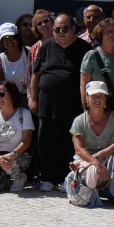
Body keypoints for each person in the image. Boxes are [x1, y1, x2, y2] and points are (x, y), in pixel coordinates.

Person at [30, 13, 89, 190]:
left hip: (73, 106)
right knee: (46, 141)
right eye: (57, 30)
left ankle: (66, 178)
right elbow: (36, 75)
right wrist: (33, 99)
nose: (61, 33)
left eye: (65, 29)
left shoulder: (84, 49)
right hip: (47, 105)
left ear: (73, 30)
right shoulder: (46, 46)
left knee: (68, 143)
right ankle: (48, 178)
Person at [69, 81, 114, 206]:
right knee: (90, 169)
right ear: (87, 99)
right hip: (87, 160)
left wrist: (100, 156)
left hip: (108, 159)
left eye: (101, 96)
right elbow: (78, 149)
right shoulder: (79, 120)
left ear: (106, 100)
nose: (97, 99)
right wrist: (96, 163)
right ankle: (89, 193)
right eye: (93, 96)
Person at [0, 81, 33, 194]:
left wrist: (13, 155)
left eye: (2, 94)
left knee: (11, 164)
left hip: (16, 155)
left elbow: (26, 141)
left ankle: (19, 177)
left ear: (12, 94)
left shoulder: (24, 114)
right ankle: (2, 179)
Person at [79, 18, 114, 125]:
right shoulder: (91, 56)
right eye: (107, 32)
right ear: (100, 34)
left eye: (113, 32)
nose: (111, 35)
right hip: (100, 108)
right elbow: (83, 85)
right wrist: (86, 109)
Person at [0, 22, 32, 96]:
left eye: (11, 38)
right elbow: (1, 86)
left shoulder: (29, 53)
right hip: (10, 99)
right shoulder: (1, 59)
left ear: (17, 38)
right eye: (5, 39)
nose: (9, 41)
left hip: (28, 97)